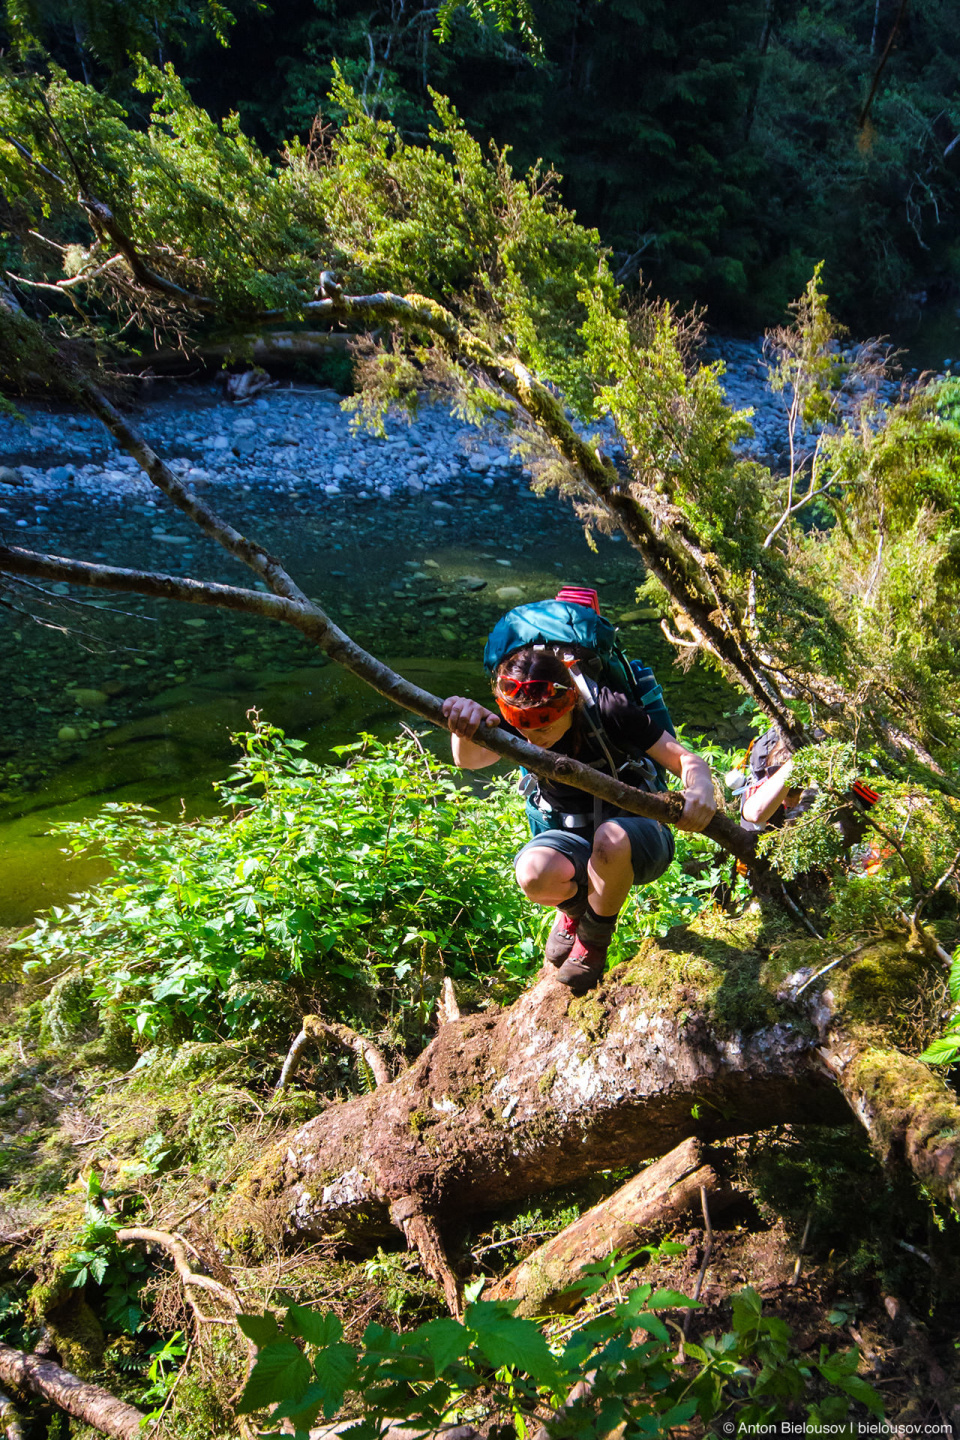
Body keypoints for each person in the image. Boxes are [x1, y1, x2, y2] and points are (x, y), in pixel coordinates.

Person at [442, 644, 716, 993]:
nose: (529, 738)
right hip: (572, 835)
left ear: (569, 702)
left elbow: (686, 761)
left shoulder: (609, 709)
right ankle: (575, 910)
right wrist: (462, 726)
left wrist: (700, 789)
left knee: (611, 836)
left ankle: (594, 939)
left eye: (543, 729)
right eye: (520, 726)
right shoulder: (522, 716)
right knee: (533, 873)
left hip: (639, 837)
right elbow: (468, 761)